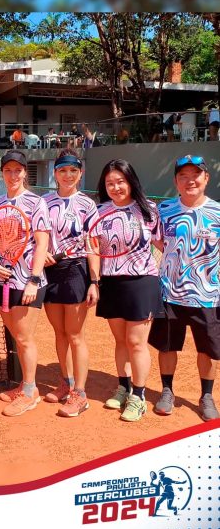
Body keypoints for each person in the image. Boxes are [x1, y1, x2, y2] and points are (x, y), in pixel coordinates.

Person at [148, 155, 220, 421]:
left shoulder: (217, 212)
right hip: (169, 293)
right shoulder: (164, 210)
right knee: (167, 346)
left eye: (195, 175)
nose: (190, 181)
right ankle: (167, 390)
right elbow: (157, 240)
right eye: (183, 176)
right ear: (176, 181)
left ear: (206, 178)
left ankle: (207, 396)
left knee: (208, 350)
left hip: (208, 296)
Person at [95, 159, 163, 422]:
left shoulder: (148, 210)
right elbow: (92, 248)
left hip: (141, 281)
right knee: (121, 340)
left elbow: (163, 244)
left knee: (136, 342)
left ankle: (139, 396)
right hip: (111, 282)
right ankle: (123, 387)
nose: (115, 187)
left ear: (131, 181)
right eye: (110, 183)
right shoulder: (99, 211)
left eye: (120, 181)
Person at [0, 150, 50, 417]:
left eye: (18, 170)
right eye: (8, 170)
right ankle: (25, 385)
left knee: (24, 338)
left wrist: (34, 280)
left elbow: (42, 243)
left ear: (25, 172)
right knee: (16, 335)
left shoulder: (37, 203)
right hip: (3, 280)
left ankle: (30, 391)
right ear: (2, 173)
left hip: (28, 282)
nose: (13, 175)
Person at [42, 149, 100, 417]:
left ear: (80, 173)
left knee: (75, 334)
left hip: (76, 270)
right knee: (60, 332)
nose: (68, 175)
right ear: (55, 173)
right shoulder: (44, 202)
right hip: (50, 271)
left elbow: (93, 244)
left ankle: (80, 393)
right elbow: (37, 238)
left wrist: (94, 281)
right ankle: (65, 382)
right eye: (63, 170)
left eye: (73, 171)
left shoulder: (87, 205)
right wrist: (41, 254)